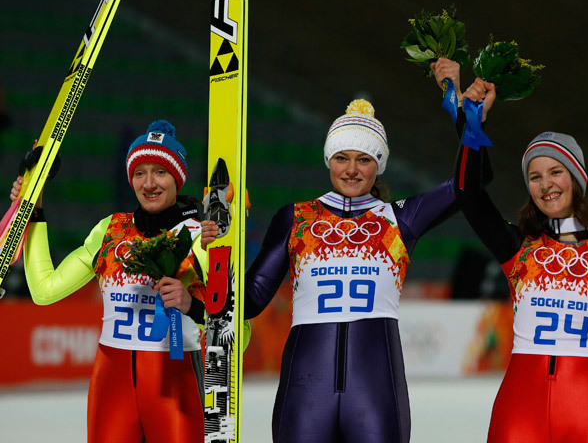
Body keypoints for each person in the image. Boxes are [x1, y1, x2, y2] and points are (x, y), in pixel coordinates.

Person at [201, 87, 476, 442]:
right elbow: (249, 301)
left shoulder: (400, 219)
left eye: (364, 159)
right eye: (341, 157)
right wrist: (218, 254)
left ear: (379, 164)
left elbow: (471, 184)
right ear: (328, 159)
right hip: (306, 389)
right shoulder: (295, 217)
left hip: (375, 391)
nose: (351, 169)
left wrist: (463, 113)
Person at [437, 60, 588, 443]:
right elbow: (468, 193)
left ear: (577, 178)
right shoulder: (519, 245)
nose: (546, 184)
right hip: (519, 414)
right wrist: (471, 123)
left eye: (556, 172)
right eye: (535, 176)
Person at [12, 120, 207, 443]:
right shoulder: (110, 230)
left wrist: (192, 305)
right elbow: (45, 290)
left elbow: (237, 333)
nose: (149, 183)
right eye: (139, 173)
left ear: (178, 177)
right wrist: (33, 207)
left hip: (175, 381)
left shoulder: (200, 240)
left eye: (160, 171)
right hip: (111, 384)